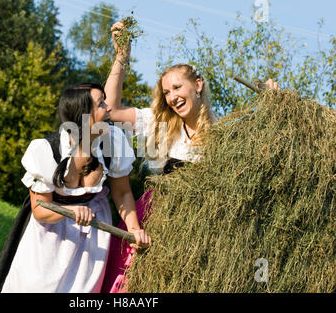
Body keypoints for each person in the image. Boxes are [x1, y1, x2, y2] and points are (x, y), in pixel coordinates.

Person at [101, 21, 280, 293]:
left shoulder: (226, 134)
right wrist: (121, 59)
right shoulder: (159, 123)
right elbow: (110, 109)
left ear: (197, 84)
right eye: (167, 92)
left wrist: (275, 107)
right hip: (152, 220)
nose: (172, 97)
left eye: (177, 88)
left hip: (195, 232)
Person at [0, 83, 150, 293]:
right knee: (37, 286)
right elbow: (40, 209)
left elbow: (122, 193)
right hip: (51, 234)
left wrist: (134, 229)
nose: (109, 108)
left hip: (93, 236)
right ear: (84, 115)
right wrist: (70, 212)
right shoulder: (47, 149)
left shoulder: (113, 142)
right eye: (101, 104)